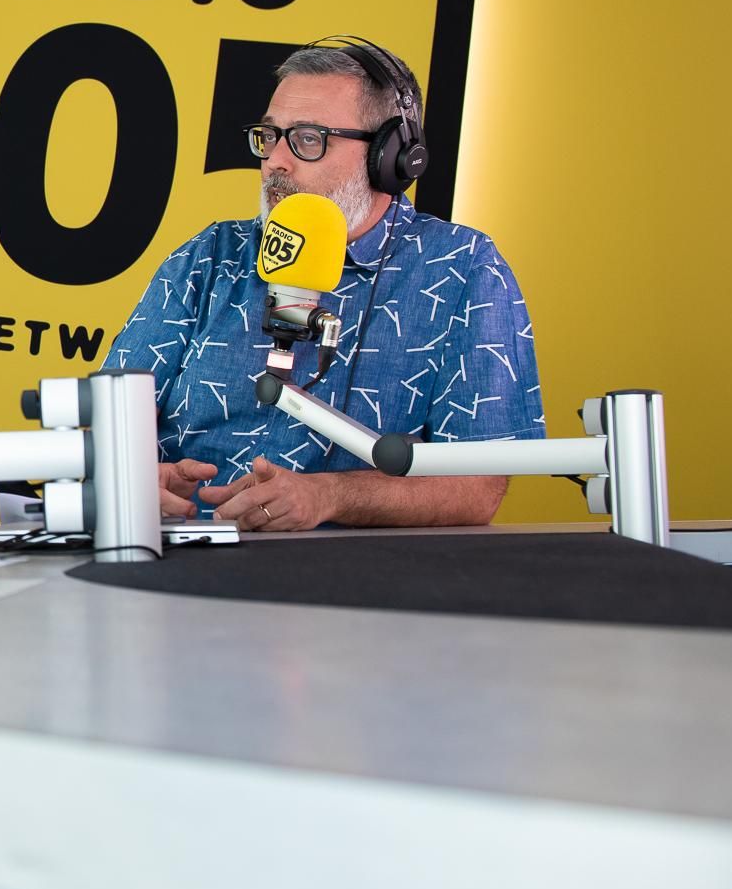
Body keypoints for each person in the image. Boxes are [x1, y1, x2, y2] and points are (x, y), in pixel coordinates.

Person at [102, 39, 543, 532]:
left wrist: (330, 496)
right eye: (269, 136)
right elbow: (107, 419)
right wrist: (129, 474)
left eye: (308, 139)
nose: (276, 161)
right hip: (182, 557)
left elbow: (478, 487)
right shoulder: (211, 255)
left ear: (389, 156)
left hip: (348, 574)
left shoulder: (463, 268)